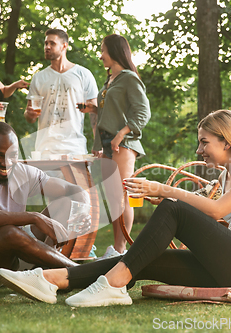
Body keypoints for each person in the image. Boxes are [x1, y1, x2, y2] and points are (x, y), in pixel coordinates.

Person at [0, 109, 231, 307]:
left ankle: (113, 285)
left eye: (204, 142)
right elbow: (213, 210)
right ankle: (52, 279)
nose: (199, 150)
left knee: (173, 207)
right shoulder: (227, 174)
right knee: (144, 258)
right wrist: (169, 200)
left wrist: (163, 190)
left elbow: (217, 210)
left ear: (227, 140)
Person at [0, 121, 90, 288]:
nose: (7, 163)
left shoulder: (22, 172)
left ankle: (46, 272)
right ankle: (82, 273)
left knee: (65, 204)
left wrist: (80, 212)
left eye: (12, 155)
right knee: (8, 232)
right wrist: (33, 217)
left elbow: (75, 192)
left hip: (13, 255)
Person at [84, 34, 150, 259]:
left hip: (123, 144)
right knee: (112, 198)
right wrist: (92, 111)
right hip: (105, 143)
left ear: (114, 51)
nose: (100, 55)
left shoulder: (129, 78)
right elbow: (106, 114)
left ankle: (121, 250)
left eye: (103, 50)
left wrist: (121, 134)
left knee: (122, 196)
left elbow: (143, 112)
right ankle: (115, 249)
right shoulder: (109, 80)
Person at [24, 29, 99, 156]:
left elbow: (95, 112)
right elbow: (28, 114)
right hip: (45, 150)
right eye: (46, 43)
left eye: (52, 43)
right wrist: (30, 115)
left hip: (75, 149)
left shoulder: (83, 74)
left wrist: (98, 143)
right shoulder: (39, 77)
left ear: (64, 46)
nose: (47, 47)